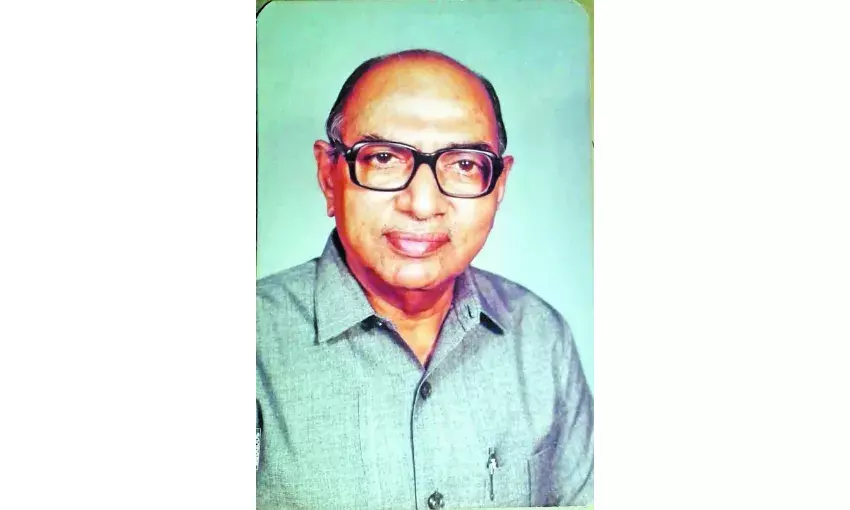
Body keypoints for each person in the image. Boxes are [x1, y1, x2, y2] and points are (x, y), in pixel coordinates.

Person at [256, 49, 593, 509]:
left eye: (465, 164)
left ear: (499, 186)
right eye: (383, 158)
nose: (422, 204)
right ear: (328, 177)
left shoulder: (541, 336)